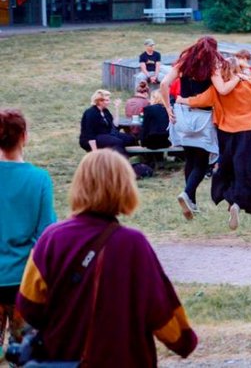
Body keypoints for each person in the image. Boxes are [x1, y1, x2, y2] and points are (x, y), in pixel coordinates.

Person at [16, 150, 197, 365]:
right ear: (125, 187)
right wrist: (185, 341)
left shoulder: (51, 239)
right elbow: (162, 313)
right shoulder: (133, 245)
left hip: (64, 360)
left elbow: (28, 307)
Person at [177, 58, 251, 230]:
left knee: (227, 168)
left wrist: (181, 100)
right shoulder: (248, 83)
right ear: (238, 69)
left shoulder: (217, 89)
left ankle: (230, 199)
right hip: (247, 131)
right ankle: (237, 203)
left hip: (226, 132)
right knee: (245, 169)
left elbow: (200, 100)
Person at [160, 36, 242, 221]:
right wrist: (237, 77)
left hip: (181, 114)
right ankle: (187, 193)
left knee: (190, 158)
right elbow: (222, 90)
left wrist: (167, 108)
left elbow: (164, 84)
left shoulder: (183, 63)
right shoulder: (212, 67)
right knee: (202, 162)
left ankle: (192, 203)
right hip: (203, 117)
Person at [0, 109, 56, 351]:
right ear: (24, 136)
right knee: (25, 354)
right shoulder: (39, 179)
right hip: (24, 281)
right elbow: (46, 234)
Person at [79, 89, 136, 157]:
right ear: (99, 101)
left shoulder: (105, 111)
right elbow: (89, 134)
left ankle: (136, 157)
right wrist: (95, 152)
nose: (109, 102)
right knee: (117, 142)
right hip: (92, 138)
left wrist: (116, 108)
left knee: (130, 139)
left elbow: (115, 124)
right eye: (107, 100)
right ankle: (120, 161)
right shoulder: (91, 113)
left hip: (107, 135)